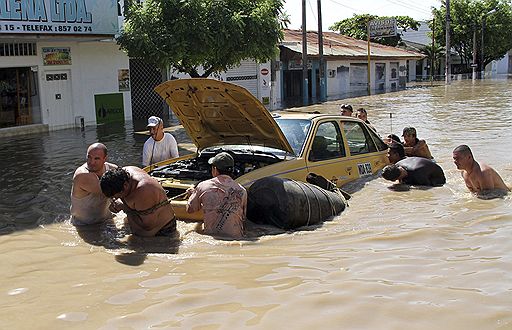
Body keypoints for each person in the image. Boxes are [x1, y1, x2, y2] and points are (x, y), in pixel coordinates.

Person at [100, 166, 176, 237]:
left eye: (117, 196)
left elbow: (148, 226)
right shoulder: (124, 173)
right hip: (140, 225)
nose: (115, 199)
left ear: (125, 186)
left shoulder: (143, 190)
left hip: (162, 231)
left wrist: (124, 207)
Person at [185, 152, 247, 239]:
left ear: (215, 169)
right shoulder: (242, 191)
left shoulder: (203, 186)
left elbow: (190, 210)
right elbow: (243, 218)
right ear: (232, 170)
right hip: (236, 239)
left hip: (212, 239)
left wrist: (192, 195)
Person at [70, 143, 118, 226]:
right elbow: (108, 192)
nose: (91, 162)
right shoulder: (82, 175)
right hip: (84, 226)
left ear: (105, 159)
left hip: (107, 220)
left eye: (96, 158)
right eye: (89, 157)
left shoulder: (112, 169)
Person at [382, 157, 446, 186]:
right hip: (421, 168)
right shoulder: (397, 165)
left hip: (437, 177)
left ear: (394, 179)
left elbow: (426, 187)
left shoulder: (418, 174)